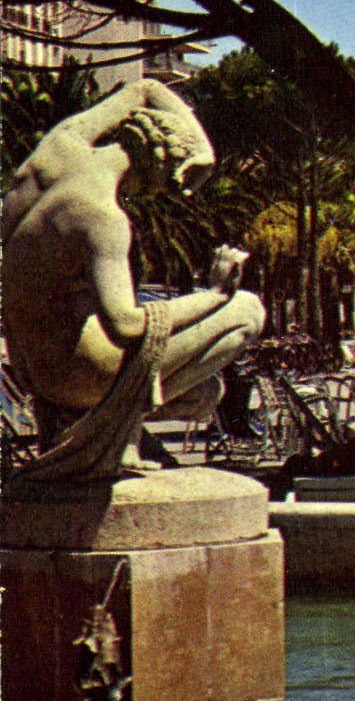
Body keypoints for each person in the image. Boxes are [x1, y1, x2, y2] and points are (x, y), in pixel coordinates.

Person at [1, 79, 264, 484]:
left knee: (205, 392)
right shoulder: (102, 217)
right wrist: (215, 294)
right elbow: (125, 325)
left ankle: (118, 436)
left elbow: (143, 88)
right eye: (168, 184)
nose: (161, 193)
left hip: (32, 369)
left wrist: (200, 147)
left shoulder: (57, 150)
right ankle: (114, 431)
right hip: (77, 373)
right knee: (247, 310)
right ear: (159, 165)